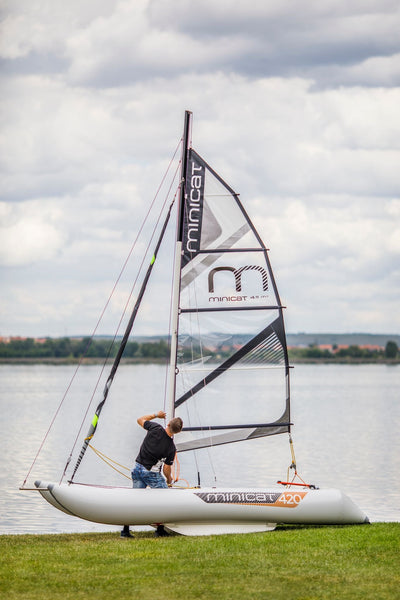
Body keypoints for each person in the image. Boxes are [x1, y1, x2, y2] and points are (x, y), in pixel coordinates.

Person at [120, 410, 183, 538]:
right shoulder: (171, 447)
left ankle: (125, 531)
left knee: (134, 501)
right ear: (178, 432)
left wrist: (156, 415)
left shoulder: (155, 427)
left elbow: (140, 419)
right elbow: (166, 469)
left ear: (168, 423)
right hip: (151, 474)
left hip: (137, 469)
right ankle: (159, 530)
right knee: (165, 499)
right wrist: (169, 481)